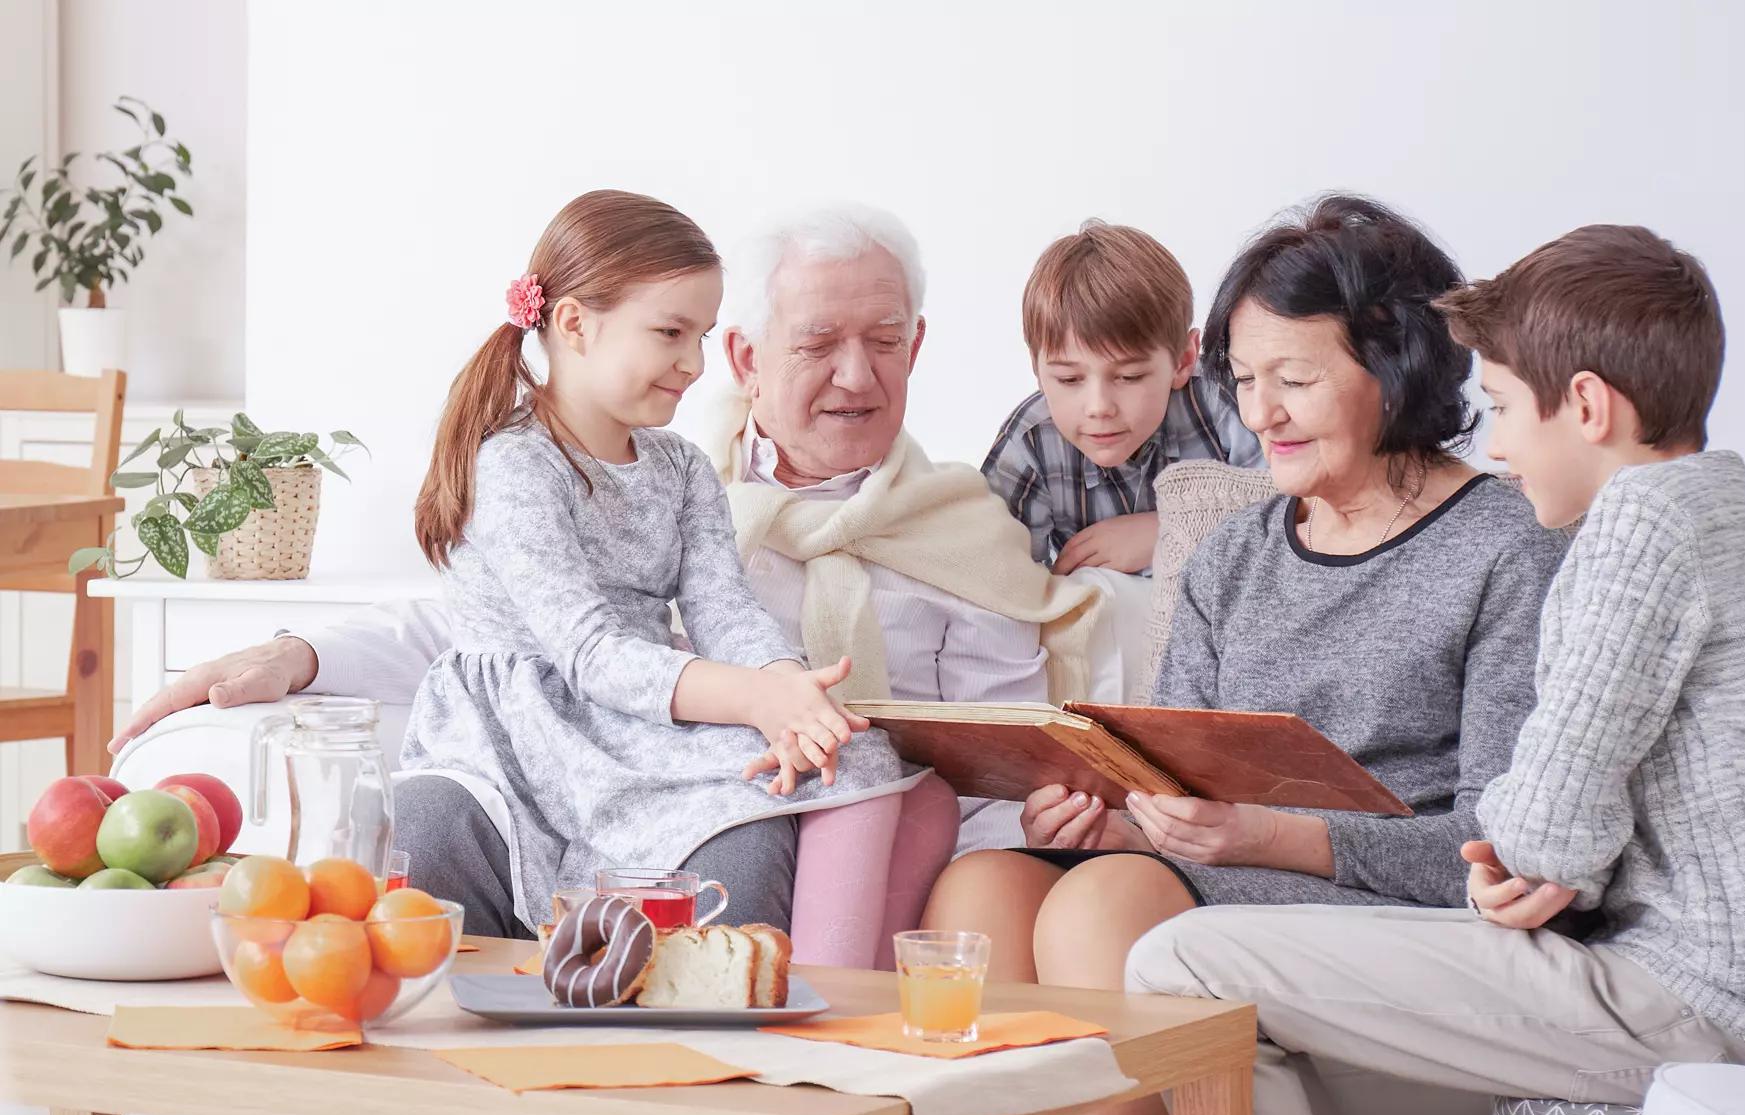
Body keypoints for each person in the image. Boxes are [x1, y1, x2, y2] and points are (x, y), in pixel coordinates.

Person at [106, 204, 1101, 955]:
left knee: (848, 785)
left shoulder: (950, 528)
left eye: (884, 343)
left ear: (917, 346)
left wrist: (789, 693)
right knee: (450, 823)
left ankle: (743, 1096)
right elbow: (509, 631)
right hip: (601, 726)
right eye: (815, 345)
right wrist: (298, 653)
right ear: (752, 363)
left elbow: (729, 620)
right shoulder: (576, 463)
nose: (855, 376)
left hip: (777, 767)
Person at [1128, 223, 1745, 1115]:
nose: (1495, 445)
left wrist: (1514, 860)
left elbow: (1542, 836)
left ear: (1587, 406)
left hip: (1691, 999)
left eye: (1502, 407)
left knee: (1179, 965)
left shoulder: (1635, 526)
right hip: (1736, 987)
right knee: (1224, 1000)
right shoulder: (1731, 505)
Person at [922, 195, 1569, 1115]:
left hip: (1377, 893)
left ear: (1393, 371)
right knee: (978, 891)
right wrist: (1116, 821)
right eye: (1245, 377)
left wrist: (1255, 836)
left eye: (1294, 380)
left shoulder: (1503, 546)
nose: (1258, 413)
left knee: (1098, 912)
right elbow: (1175, 782)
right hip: (1225, 871)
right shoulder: (1236, 554)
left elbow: (1494, 845)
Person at [404, 188, 930, 954]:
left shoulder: (680, 468)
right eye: (670, 334)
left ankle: (806, 1010)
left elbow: (725, 610)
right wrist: (755, 697)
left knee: (849, 753)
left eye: (702, 336)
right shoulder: (516, 464)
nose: (693, 365)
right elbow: (586, 653)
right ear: (575, 324)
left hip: (632, 723)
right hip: (519, 736)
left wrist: (788, 687)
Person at [983, 219, 1261, 574]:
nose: (1099, 407)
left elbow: (1301, 506)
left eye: (1129, 376)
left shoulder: (1221, 399)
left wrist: (1168, 530)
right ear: (1037, 370)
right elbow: (998, 583)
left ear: (1183, 360)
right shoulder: (1030, 442)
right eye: (1069, 379)